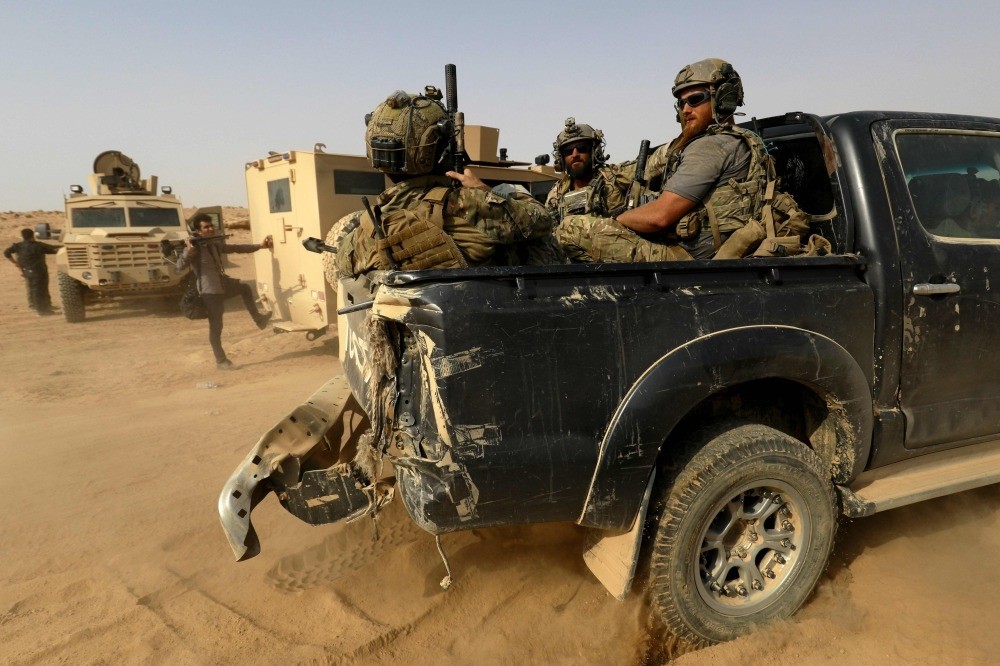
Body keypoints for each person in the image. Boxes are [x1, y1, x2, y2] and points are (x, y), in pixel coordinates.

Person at [556, 58, 771, 262]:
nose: (686, 109)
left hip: (684, 257)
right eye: (681, 102)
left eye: (695, 99)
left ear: (723, 99)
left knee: (570, 229)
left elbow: (660, 216)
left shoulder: (710, 147)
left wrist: (615, 223)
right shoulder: (740, 140)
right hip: (706, 251)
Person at [336, 87, 562, 277]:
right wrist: (487, 190)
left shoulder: (370, 226)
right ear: (436, 148)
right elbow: (542, 219)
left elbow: (343, 264)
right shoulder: (466, 203)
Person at [177, 214, 273, 370]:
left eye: (211, 226)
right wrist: (189, 251)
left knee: (245, 288)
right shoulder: (194, 248)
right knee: (216, 326)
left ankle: (259, 319)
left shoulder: (213, 244)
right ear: (198, 231)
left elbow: (236, 248)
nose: (210, 229)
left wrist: (259, 246)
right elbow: (179, 266)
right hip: (209, 292)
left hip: (221, 286)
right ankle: (221, 361)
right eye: (206, 227)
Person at [545, 118, 630, 222]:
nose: (575, 154)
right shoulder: (556, 195)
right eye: (568, 151)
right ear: (561, 158)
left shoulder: (614, 177)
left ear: (595, 152)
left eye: (582, 148)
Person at [4, 228, 59, 315]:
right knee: (39, 291)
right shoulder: (37, 246)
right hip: (38, 271)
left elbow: (6, 252)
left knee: (34, 289)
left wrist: (15, 263)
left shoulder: (18, 246)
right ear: (32, 236)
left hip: (26, 271)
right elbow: (53, 249)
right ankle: (42, 311)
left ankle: (43, 307)